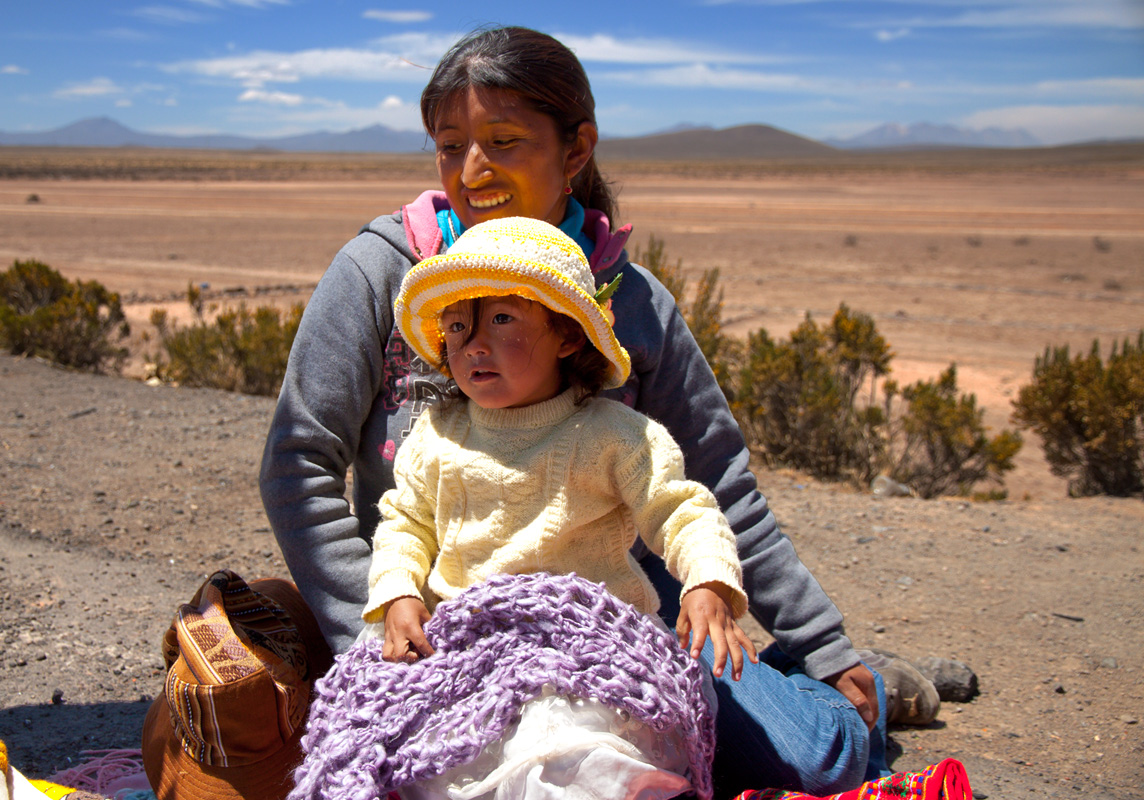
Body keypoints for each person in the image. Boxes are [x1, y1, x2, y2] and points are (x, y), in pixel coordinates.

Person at [259, 24, 937, 795]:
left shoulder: (634, 300)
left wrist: (824, 647)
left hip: (615, 624)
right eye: (451, 147)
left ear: (575, 150)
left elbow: (718, 486)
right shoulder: (385, 273)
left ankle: (833, 687)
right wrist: (378, 633)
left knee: (809, 758)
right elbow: (297, 466)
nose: (472, 170)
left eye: (504, 141)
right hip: (444, 620)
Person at [366, 215, 755, 686]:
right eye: (456, 326)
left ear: (568, 336)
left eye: (502, 318)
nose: (472, 346)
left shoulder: (614, 437)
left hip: (594, 646)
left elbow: (683, 512)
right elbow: (406, 524)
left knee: (575, 736)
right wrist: (398, 593)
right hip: (465, 646)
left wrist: (708, 579)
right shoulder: (436, 436)